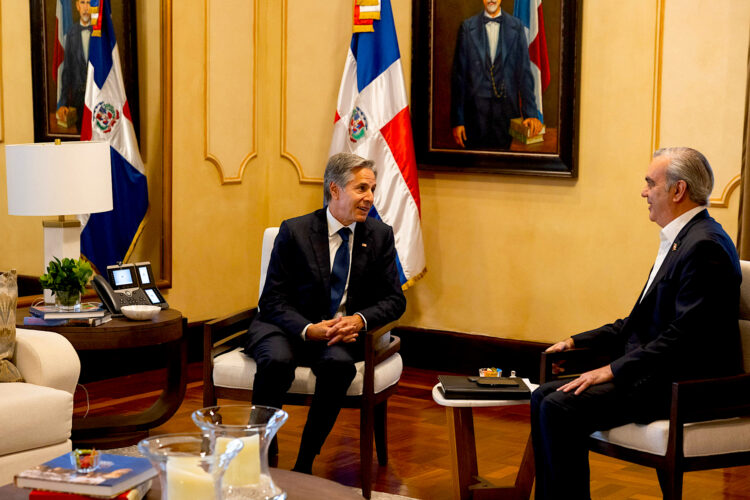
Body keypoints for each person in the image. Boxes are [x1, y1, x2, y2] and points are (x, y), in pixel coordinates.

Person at [530, 147, 743, 499]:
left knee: (559, 405)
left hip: (686, 385)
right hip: (662, 373)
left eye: (650, 183)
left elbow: (683, 337)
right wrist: (576, 341)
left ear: (678, 191)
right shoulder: (684, 239)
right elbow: (639, 321)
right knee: (542, 396)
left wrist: (612, 370)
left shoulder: (705, 246)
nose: (644, 192)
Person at [243, 152, 407, 474]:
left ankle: (304, 463)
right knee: (276, 360)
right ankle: (262, 447)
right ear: (335, 190)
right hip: (288, 327)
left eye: (372, 189)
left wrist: (358, 321)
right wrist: (308, 329)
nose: (369, 198)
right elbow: (272, 300)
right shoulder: (295, 231)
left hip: (338, 336)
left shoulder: (379, 236)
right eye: (362, 189)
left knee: (338, 369)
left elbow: (394, 300)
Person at [451, 0, 544, 149]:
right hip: (474, 119)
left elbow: (524, 74)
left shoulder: (517, 27)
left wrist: (531, 114)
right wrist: (458, 121)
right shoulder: (467, 28)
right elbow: (459, 79)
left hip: (507, 118)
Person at [56, 0, 92, 132]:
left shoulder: (100, 33)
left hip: (97, 96)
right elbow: (67, 71)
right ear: (77, 6)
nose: (86, 7)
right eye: (82, 2)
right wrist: (63, 103)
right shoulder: (71, 34)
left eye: (89, 3)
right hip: (78, 99)